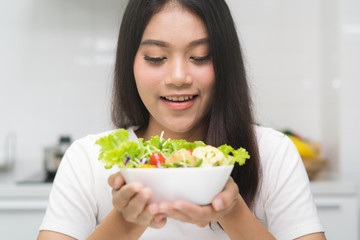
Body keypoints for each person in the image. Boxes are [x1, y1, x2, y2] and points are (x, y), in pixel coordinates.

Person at [37, 0, 326, 239]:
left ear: (225, 63)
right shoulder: (87, 160)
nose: (178, 78)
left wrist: (233, 211)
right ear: (130, 64)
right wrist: (126, 222)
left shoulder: (272, 153)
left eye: (201, 56)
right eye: (155, 57)